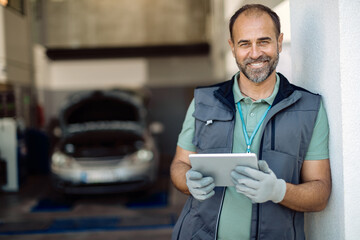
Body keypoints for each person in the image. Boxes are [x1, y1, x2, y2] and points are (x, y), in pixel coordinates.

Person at [170, 4, 331, 240]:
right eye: (245, 43)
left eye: (264, 41)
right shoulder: (203, 101)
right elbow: (179, 164)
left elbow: (320, 192)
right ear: (232, 47)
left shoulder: (309, 108)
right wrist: (187, 180)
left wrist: (279, 190)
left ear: (279, 41)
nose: (255, 54)